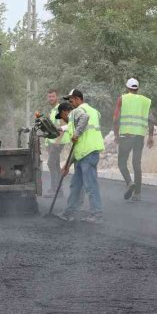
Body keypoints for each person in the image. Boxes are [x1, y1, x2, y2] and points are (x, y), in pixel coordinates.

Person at [57, 89, 105, 223]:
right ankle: (70, 211)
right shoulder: (94, 111)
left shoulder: (78, 111)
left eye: (71, 100)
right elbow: (79, 140)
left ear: (78, 99)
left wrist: (76, 133)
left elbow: (84, 120)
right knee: (76, 185)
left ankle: (97, 214)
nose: (70, 103)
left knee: (90, 185)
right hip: (84, 153)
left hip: (87, 153)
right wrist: (67, 164)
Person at [113, 78, 155, 201]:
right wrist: (151, 136)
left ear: (127, 88)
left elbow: (116, 119)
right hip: (139, 137)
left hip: (126, 136)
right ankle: (137, 194)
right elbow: (151, 120)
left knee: (121, 162)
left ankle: (129, 182)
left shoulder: (122, 99)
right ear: (138, 88)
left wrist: (116, 135)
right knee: (137, 164)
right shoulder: (145, 101)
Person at [44, 89, 66, 197]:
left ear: (57, 97)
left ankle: (54, 190)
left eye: (53, 96)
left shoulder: (59, 109)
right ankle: (59, 190)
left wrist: (57, 143)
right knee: (56, 165)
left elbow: (63, 126)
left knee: (51, 164)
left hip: (58, 142)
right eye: (49, 96)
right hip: (53, 142)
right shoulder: (53, 110)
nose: (51, 98)